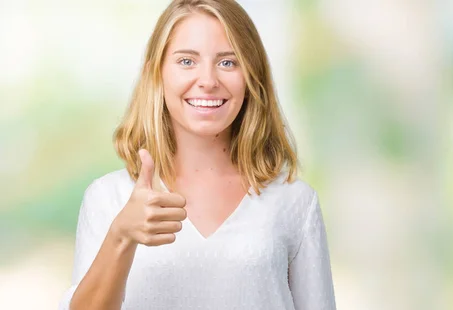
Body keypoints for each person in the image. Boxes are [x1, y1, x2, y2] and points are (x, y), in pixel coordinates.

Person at [57, 0, 336, 309]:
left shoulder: (295, 202)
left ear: (251, 76)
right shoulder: (108, 198)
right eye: (187, 61)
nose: (208, 81)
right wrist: (122, 235)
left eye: (228, 62)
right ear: (156, 73)